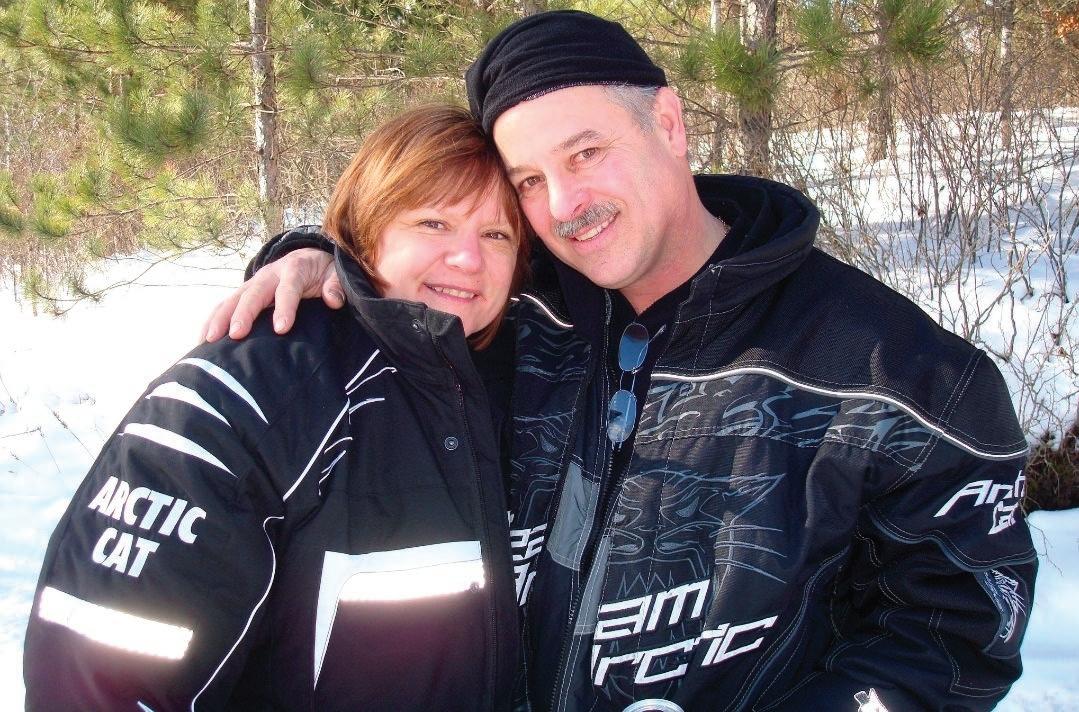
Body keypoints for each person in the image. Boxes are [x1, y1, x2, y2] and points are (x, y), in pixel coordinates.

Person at [202, 11, 1039, 712]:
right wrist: (321, 260)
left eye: (585, 153)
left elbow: (953, 633)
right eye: (529, 181)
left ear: (667, 124)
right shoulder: (515, 304)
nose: (564, 205)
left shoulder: (897, 373)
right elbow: (406, 271)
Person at [23, 104, 528, 711]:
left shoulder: (531, 381)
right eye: (433, 223)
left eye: (496, 235)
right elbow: (95, 680)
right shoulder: (249, 396)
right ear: (366, 230)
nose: (469, 259)